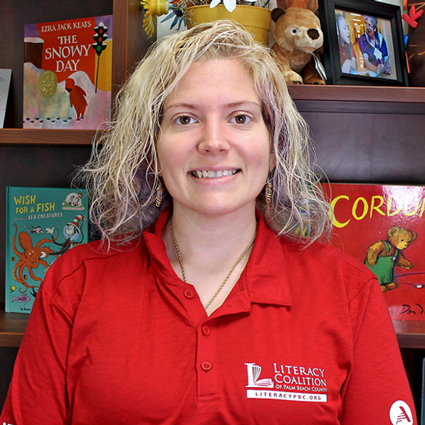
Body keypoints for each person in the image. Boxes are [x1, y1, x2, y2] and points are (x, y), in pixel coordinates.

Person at [1, 20, 416, 424]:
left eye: (240, 118)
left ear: (275, 146)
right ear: (151, 148)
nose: (213, 142)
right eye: (185, 118)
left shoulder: (350, 293)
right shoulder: (73, 285)